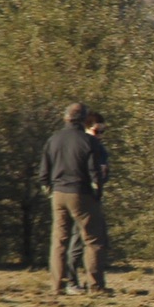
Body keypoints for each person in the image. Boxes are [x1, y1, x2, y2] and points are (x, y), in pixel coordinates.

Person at [38, 102, 108, 296]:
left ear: (65, 118)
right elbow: (94, 173)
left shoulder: (53, 139)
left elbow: (44, 172)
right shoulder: (89, 142)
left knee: (59, 240)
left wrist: (50, 191)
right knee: (93, 240)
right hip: (81, 193)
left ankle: (57, 286)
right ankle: (96, 286)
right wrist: (97, 192)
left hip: (58, 194)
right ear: (84, 119)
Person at [63, 110, 108, 286]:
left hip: (93, 198)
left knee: (96, 241)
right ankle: (71, 280)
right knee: (77, 241)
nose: (101, 136)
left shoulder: (100, 149)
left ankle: (90, 281)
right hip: (80, 196)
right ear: (86, 129)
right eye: (97, 131)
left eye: (103, 132)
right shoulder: (83, 146)